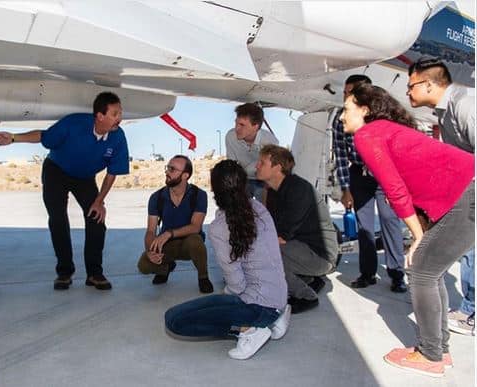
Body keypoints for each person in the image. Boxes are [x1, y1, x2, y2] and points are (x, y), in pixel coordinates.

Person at [340, 83, 474, 377]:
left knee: (422, 270)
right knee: (431, 270)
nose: (341, 116)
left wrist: (418, 235)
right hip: (465, 192)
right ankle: (439, 350)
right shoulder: (386, 129)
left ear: (364, 109)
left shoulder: (368, 134)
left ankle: (430, 355)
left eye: (347, 109)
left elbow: (395, 189)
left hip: (466, 194)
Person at [0, 92, 129, 291]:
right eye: (115, 113)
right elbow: (43, 136)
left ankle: (94, 273)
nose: (120, 118)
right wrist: (13, 138)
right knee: (57, 219)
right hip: (56, 171)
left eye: (120, 113)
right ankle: (64, 272)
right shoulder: (73, 124)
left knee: (96, 220)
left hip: (84, 178)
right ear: (100, 116)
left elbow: (112, 173)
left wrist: (99, 202)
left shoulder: (118, 137)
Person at [165, 160, 290, 360]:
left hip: (258, 306)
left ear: (215, 191)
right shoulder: (260, 209)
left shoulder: (219, 228)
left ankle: (249, 330)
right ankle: (277, 317)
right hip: (279, 296)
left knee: (174, 320)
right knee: (214, 303)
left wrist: (227, 302)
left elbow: (237, 285)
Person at [407, 58, 475, 335]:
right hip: (466, 189)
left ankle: (471, 312)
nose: (408, 92)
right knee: (468, 252)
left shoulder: (465, 106)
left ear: (429, 84)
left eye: (411, 86)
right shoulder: (444, 111)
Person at [333, 75, 407, 293]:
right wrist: (346, 189)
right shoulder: (341, 119)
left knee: (389, 220)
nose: (345, 96)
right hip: (358, 175)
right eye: (344, 92)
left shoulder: (382, 118)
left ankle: (396, 273)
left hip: (383, 173)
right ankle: (367, 273)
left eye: (350, 92)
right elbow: (340, 154)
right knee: (364, 226)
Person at [257, 145, 338, 314]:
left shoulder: (298, 189)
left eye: (262, 162)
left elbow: (280, 236)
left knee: (267, 253)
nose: (257, 166)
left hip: (321, 256)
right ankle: (308, 279)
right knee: (264, 249)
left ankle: (306, 296)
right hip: (300, 249)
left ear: (277, 167)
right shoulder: (273, 191)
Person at [137, 155, 214, 293]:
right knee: (143, 264)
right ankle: (165, 268)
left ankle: (203, 277)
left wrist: (169, 233)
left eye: (172, 169)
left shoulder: (199, 195)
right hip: (166, 245)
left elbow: (195, 227)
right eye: (167, 167)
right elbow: (150, 231)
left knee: (195, 241)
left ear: (185, 175)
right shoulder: (157, 197)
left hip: (188, 243)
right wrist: (150, 251)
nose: (167, 172)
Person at [225, 103, 278, 200]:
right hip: (242, 179)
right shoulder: (230, 136)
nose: (237, 128)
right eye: (236, 123)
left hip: (263, 180)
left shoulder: (270, 142)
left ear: (255, 127)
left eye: (242, 125)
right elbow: (231, 165)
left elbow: (272, 172)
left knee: (263, 210)